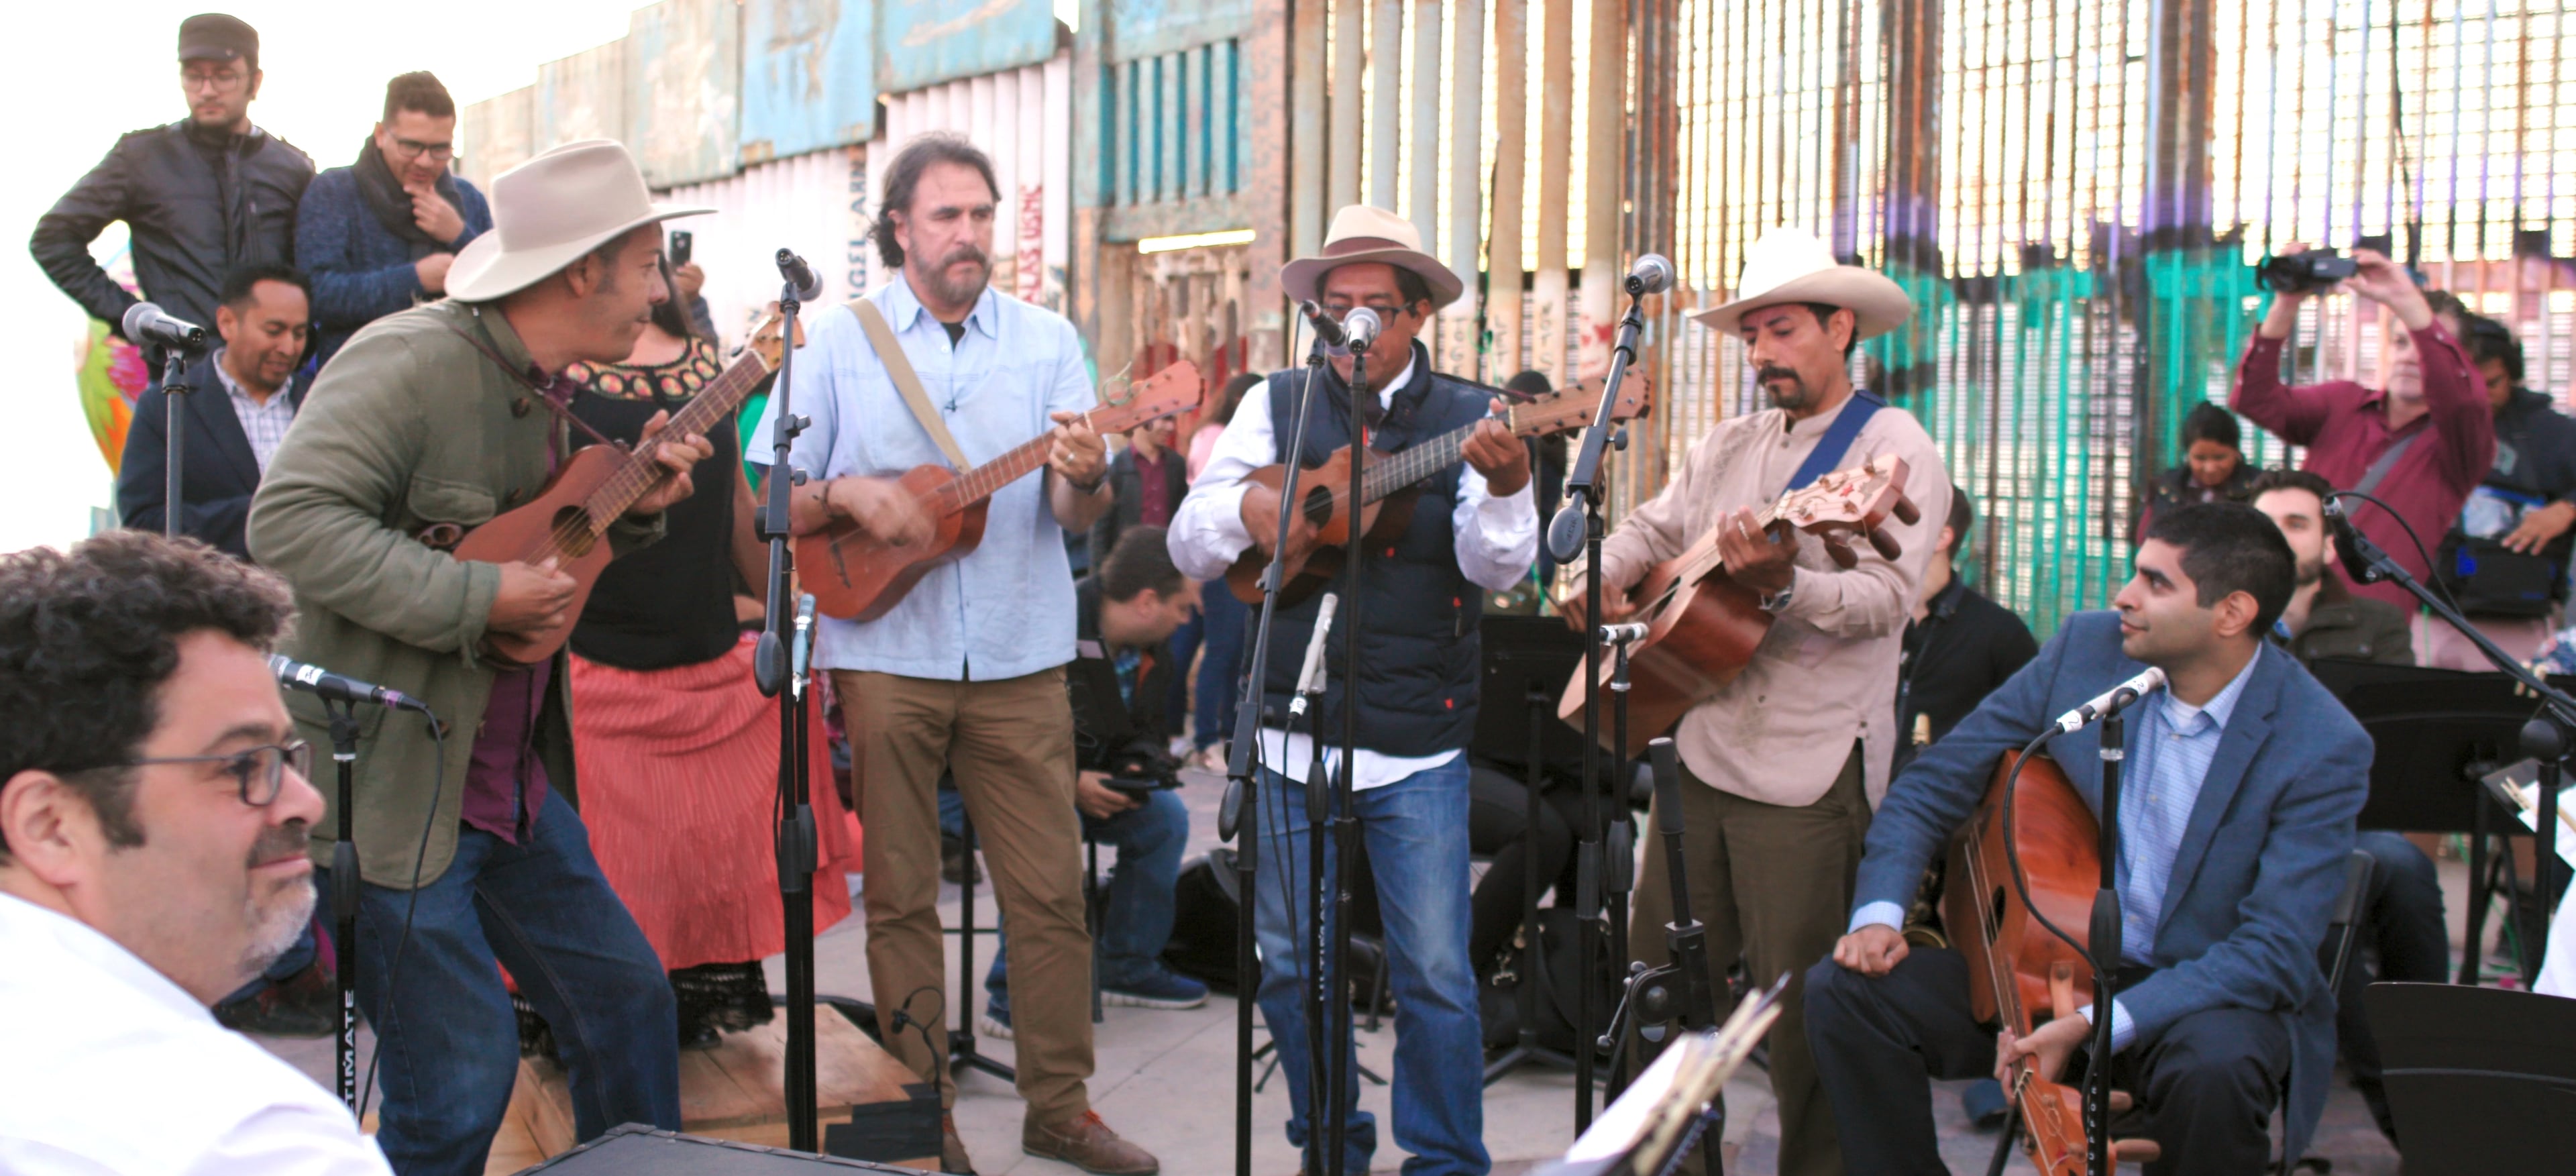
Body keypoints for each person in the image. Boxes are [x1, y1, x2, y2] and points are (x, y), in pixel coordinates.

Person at [246, 139, 714, 1176]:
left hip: (506, 787)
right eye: (646, 265)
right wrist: (478, 595)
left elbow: (539, 536)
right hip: (402, 797)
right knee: (459, 1085)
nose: (661, 291)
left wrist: (635, 508)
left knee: (627, 1003)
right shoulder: (410, 360)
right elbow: (288, 523)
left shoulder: (539, 382)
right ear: (582, 271)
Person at [755, 132, 1157, 1176]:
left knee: (1051, 895)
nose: (970, 233)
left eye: (982, 214)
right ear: (900, 227)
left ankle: (1059, 1108)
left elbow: (1074, 510)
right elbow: (771, 492)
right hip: (887, 649)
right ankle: (921, 1109)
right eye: (948, 215)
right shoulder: (838, 344)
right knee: (900, 898)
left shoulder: (1047, 340)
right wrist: (850, 491)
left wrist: (1086, 471)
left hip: (1022, 652)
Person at [1808, 502, 2371, 1174]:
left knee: (2215, 1072)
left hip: (2201, 996)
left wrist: (2093, 1025)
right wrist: (1879, 916)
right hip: (2051, 960)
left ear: (2232, 612)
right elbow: (1934, 782)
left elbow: (2274, 951)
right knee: (1847, 992)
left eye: (2156, 582)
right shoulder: (2087, 649)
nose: (2124, 596)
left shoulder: (2321, 741)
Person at [1562, 225, 1949, 1176]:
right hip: (1701, 752)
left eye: (1782, 331)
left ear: (1839, 327)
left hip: (1808, 774)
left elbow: (1885, 601)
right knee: (1658, 994)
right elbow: (1654, 527)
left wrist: (1782, 585)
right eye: (1751, 337)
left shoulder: (1893, 447)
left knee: (1804, 1024)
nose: (1763, 353)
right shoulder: (1730, 442)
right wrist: (1601, 573)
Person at [1170, 203, 1537, 1176]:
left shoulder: (1474, 417)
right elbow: (1191, 540)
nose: (1354, 325)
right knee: (1291, 967)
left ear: (1418, 315)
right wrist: (1260, 509)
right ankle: (1330, 1144)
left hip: (1417, 743)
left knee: (1435, 975)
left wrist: (1507, 487)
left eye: (1376, 305)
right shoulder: (1278, 403)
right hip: (1288, 731)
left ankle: (1446, 1161)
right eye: (1338, 307)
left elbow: (1498, 568)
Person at [0, 530, 390, 1175]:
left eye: (287, 758)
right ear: (50, 825)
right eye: (241, 764)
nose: (307, 802)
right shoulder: (248, 1141)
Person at [554, 256, 861, 1053]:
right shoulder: (558, 371)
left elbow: (736, 506)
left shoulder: (706, 369)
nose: (656, 285)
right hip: (593, 670)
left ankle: (677, 1038)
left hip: (706, 663)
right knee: (613, 879)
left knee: (702, 866)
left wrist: (790, 616)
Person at [2247, 467, 2450, 1146]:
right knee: (2336, 888)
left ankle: (2434, 1060)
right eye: (2267, 524)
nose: (2281, 537)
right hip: (2256, 830)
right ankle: (2413, 1123)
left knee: (2405, 869)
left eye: (2297, 523)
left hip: (2350, 818)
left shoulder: (2377, 621)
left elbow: (2392, 743)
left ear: (2330, 543)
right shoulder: (2227, 623)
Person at [949, 527, 1212, 1038]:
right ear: (1147, 601)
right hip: (1004, 787)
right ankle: (1013, 995)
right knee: (1050, 824)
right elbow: (999, 733)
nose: (1187, 620)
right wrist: (1069, 782)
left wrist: (1136, 768)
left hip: (1083, 784)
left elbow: (1150, 733)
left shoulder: (1155, 649)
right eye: (1183, 607)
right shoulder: (1047, 619)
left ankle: (1126, 966)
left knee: (1166, 819)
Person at [2231, 244, 2489, 610]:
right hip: (2287, 606)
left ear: (2461, 362)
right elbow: (2253, 400)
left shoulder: (2461, 444)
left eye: (2423, 347)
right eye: (2401, 342)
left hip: (2370, 627)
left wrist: (2405, 299)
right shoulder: (2344, 402)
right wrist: (2286, 303)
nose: (2410, 357)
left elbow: (2461, 401)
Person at [32, 13, 313, 347]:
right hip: (183, 369)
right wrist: (135, 318)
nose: (207, 90)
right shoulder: (143, 158)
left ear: (255, 82)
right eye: (194, 76)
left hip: (277, 370)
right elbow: (53, 238)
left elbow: (318, 270)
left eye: (224, 76)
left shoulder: (292, 169)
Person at [296, 71, 494, 368]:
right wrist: (414, 279)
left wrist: (460, 236)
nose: (425, 161)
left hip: (454, 376)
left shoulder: (469, 200)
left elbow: (502, 294)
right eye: (411, 146)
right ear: (380, 135)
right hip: (360, 378)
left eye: (440, 149)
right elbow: (316, 295)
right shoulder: (334, 192)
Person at [117, 264, 313, 560]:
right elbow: (142, 525)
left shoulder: (322, 402)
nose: (288, 347)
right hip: (216, 584)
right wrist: (265, 514)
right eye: (274, 331)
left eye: (299, 334)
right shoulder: (168, 407)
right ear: (227, 323)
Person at [2423, 313, 2576, 667]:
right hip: (2429, 613)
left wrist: (2568, 508)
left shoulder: (2552, 432)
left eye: (2491, 383)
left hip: (2519, 619)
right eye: (2466, 383)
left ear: (2513, 375)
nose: (2480, 395)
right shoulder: (2420, 420)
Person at [1894, 486, 2039, 775]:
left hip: (1945, 795)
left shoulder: (2001, 632)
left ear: (1941, 537)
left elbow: (2029, 733)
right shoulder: (1867, 618)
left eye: (1899, 518)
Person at [1173, 372, 1263, 769]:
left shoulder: (1219, 435)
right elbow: (1212, 498)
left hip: (1237, 558)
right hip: (1218, 557)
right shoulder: (1215, 436)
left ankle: (1224, 736)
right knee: (1221, 651)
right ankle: (1208, 739)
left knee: (1233, 652)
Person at [2250, 468, 2414, 664]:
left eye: (2296, 525)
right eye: (2265, 525)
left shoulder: (2381, 623)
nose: (2277, 537)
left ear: (2329, 547)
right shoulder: (2219, 619)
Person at [1089, 409, 1189, 614]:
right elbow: (1100, 530)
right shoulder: (1117, 468)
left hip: (1166, 577)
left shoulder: (1177, 466)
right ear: (1143, 419)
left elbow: (1182, 524)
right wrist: (1099, 584)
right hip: (1126, 578)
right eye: (1166, 419)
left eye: (1173, 420)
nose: (1171, 427)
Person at [2139, 402, 2255, 537]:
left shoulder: (2257, 488)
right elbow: (2145, 539)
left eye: (2219, 458)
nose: (2210, 468)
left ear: (2236, 452)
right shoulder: (2166, 489)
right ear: (2188, 455)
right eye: (2200, 458)